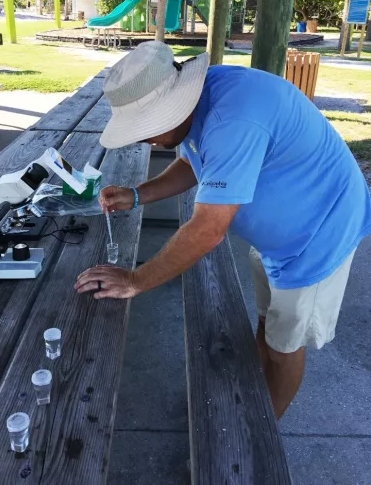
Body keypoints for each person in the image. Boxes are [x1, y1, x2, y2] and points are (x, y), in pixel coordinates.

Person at [74, 41, 371, 419]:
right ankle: (254, 400)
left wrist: (136, 280)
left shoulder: (234, 118)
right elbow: (197, 162)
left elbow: (208, 230)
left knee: (284, 346)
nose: (144, 139)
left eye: (148, 128)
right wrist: (137, 194)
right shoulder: (205, 98)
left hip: (317, 235)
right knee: (268, 323)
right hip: (280, 239)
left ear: (176, 104)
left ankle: (262, 431)